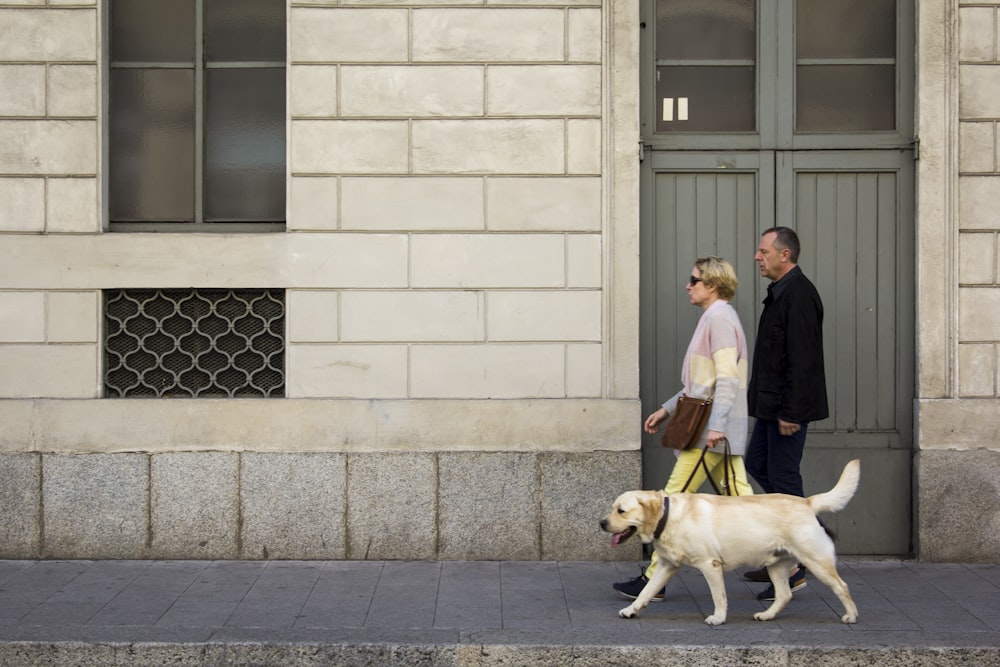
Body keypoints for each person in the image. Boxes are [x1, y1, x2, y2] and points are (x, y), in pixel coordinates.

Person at [613, 256, 754, 601]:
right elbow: (700, 384)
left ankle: (652, 582)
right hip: (713, 428)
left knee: (671, 500)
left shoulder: (719, 318)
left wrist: (717, 426)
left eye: (694, 280)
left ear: (713, 285)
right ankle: (789, 556)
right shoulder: (716, 317)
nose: (687, 286)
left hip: (708, 431)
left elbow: (725, 380)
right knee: (742, 497)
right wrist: (666, 408)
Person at [742, 226, 828, 602]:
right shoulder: (781, 294)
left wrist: (792, 411)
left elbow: (804, 360)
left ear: (785, 255)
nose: (758, 257)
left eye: (763, 251)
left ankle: (798, 560)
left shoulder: (800, 295)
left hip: (786, 410)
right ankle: (796, 547)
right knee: (759, 464)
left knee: (783, 479)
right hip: (770, 408)